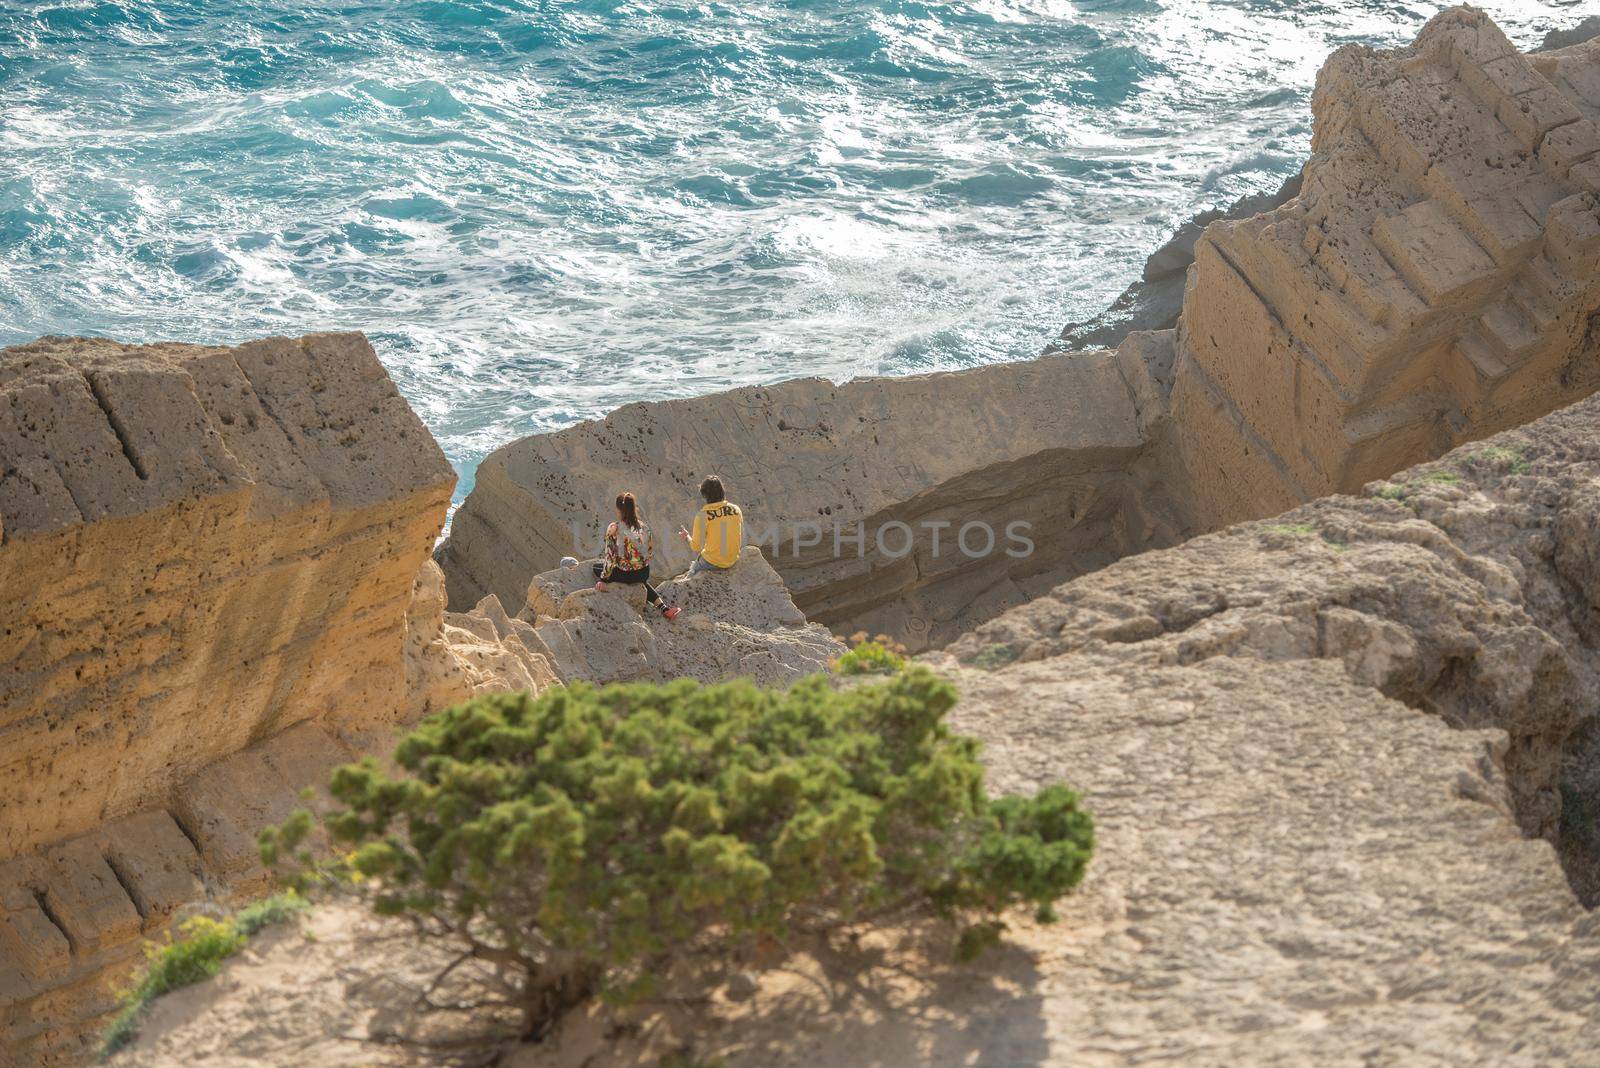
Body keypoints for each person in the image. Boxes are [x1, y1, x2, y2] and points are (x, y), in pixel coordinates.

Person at [595, 492, 680, 620]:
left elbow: (610, 557)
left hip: (625, 575)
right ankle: (664, 608)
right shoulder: (644, 527)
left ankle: (609, 587)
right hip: (643, 573)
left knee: (596, 567)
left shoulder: (614, 528)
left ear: (619, 510)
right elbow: (650, 552)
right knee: (641, 582)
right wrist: (636, 564)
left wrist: (603, 581)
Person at [679, 475, 743, 575]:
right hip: (733, 559)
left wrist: (687, 536)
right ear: (722, 491)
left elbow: (696, 547)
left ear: (704, 495)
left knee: (692, 572)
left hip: (713, 562)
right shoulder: (736, 509)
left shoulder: (702, 516)